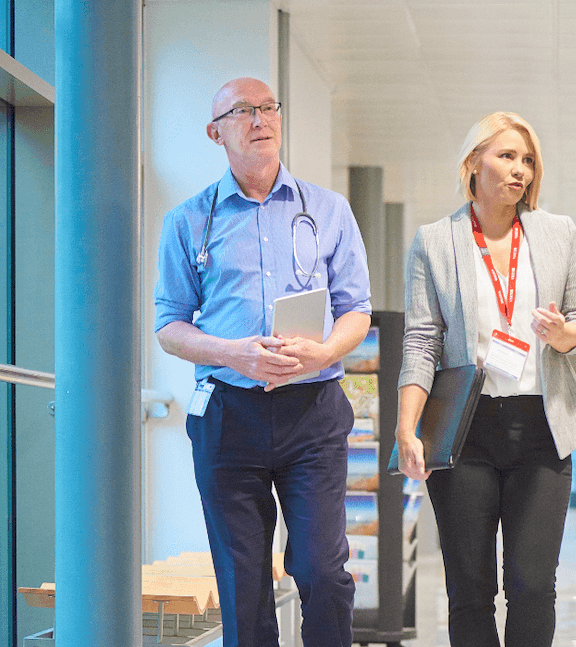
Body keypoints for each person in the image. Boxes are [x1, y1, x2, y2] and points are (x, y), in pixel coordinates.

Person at [153, 77, 372, 647]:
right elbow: (169, 327)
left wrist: (324, 350)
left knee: (323, 572)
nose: (261, 119)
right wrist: (232, 354)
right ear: (215, 131)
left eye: (269, 107)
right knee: (244, 584)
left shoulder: (327, 210)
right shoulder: (189, 221)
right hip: (227, 416)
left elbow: (357, 311)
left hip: (313, 414)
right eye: (243, 111)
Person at [394, 112, 576, 647]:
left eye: (528, 160)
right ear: (472, 163)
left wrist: (564, 335)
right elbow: (421, 340)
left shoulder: (558, 234)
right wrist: (406, 428)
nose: (521, 171)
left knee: (533, 585)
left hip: (542, 425)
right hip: (466, 428)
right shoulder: (435, 241)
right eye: (507, 156)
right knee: (469, 587)